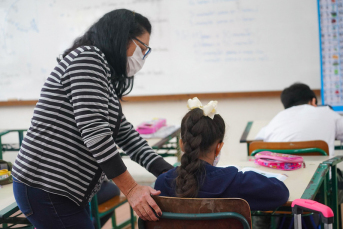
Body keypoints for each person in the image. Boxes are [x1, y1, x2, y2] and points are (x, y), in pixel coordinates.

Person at [12, 9, 174, 229]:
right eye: (141, 48)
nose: (142, 57)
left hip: (64, 187)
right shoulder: (88, 59)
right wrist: (132, 189)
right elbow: (96, 133)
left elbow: (124, 134)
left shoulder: (102, 72)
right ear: (121, 37)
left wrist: (170, 173)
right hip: (46, 185)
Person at [154, 97, 289, 211]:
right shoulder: (236, 182)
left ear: (182, 144)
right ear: (219, 147)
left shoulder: (162, 183)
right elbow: (280, 192)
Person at [255, 82, 343, 155]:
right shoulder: (327, 112)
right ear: (313, 101)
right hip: (320, 175)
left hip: (280, 174)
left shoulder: (277, 118)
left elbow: (256, 144)